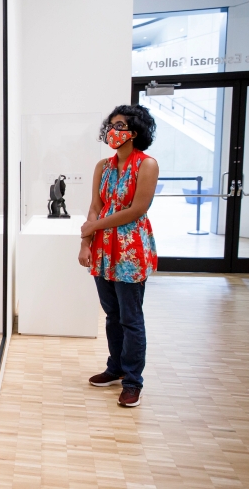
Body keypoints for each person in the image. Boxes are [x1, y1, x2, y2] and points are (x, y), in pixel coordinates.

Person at [78, 104, 158, 408]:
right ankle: (115, 368)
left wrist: (93, 226)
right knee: (112, 315)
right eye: (111, 125)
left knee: (131, 318)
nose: (114, 131)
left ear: (135, 131)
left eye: (121, 125)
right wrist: (86, 242)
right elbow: (95, 206)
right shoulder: (103, 166)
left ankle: (133, 381)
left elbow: (136, 210)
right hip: (102, 250)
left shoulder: (147, 165)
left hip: (130, 250)